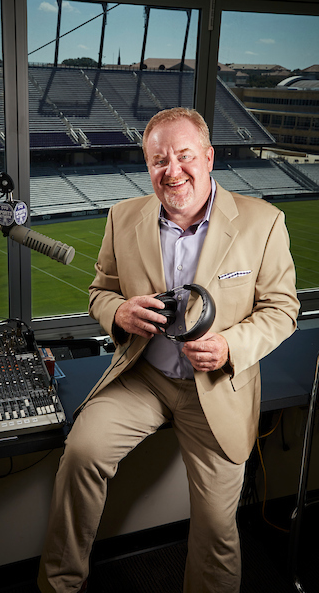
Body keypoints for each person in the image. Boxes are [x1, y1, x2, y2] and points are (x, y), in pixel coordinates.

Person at [37, 107, 299, 593]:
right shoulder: (123, 217)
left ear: (209, 157)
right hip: (144, 378)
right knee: (81, 453)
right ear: (147, 166)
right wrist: (118, 313)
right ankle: (59, 585)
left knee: (218, 529)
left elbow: (282, 309)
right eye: (158, 160)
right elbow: (100, 291)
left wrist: (228, 345)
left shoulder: (264, 222)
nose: (172, 170)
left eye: (183, 156)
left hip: (217, 388)